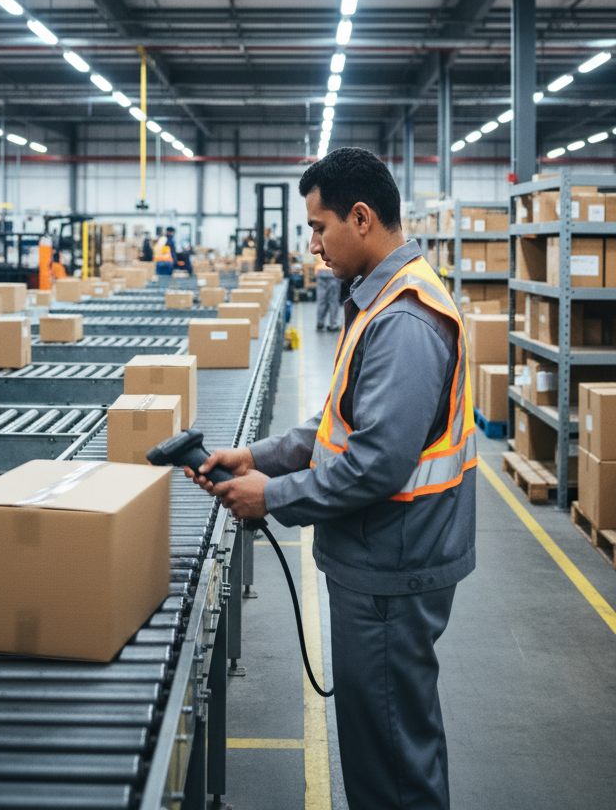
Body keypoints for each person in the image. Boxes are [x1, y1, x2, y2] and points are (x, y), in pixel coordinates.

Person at [186, 147, 475, 810]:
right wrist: (259, 457)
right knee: (384, 742)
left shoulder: (403, 319)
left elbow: (377, 463)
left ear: (363, 218)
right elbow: (337, 423)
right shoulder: (380, 301)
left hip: (390, 570)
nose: (312, 243)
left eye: (319, 227)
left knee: (391, 763)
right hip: (384, 557)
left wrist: (273, 496)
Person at [314, 256, 342, 332]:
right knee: (333, 300)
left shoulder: (320, 244)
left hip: (320, 270)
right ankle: (333, 324)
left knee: (321, 299)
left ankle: (320, 323)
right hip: (332, 271)